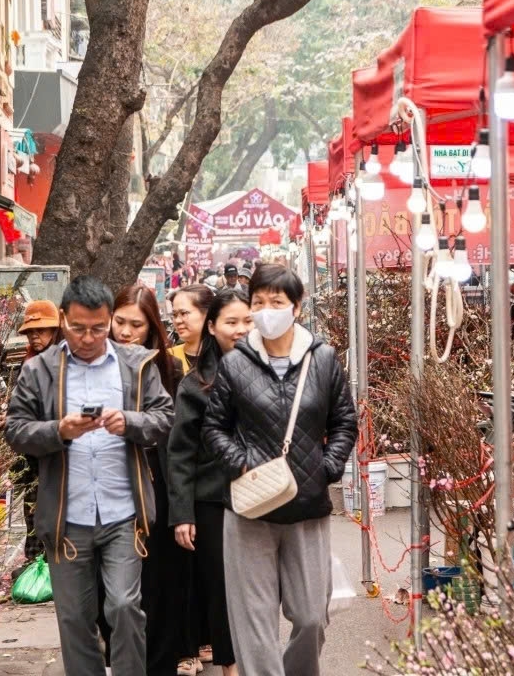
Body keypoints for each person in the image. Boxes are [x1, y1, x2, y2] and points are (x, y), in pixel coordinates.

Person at [5, 276, 173, 676]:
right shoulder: (40, 370)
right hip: (68, 517)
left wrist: (129, 422)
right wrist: (58, 431)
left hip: (123, 513)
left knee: (124, 606)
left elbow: (165, 418)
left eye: (99, 328)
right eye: (78, 327)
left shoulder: (137, 364)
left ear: (110, 320)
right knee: (75, 618)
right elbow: (15, 429)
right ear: (64, 319)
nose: (88, 337)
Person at [203, 265, 357, 676]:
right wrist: (242, 463)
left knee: (310, 616)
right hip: (249, 507)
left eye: (277, 302)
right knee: (254, 624)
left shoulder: (322, 359)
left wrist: (326, 468)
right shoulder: (235, 364)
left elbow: (344, 421)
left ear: (297, 307)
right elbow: (214, 428)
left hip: (306, 506)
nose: (267, 310)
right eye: (259, 302)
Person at [112, 286, 201, 676]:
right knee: (117, 592)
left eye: (137, 325)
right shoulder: (94, 362)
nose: (126, 332)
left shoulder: (169, 368)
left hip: (157, 484)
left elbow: (175, 439)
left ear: (151, 328)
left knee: (160, 582)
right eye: (120, 322)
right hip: (112, 485)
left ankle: (160, 663)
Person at [168, 289, 254, 676]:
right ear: (213, 326)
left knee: (259, 589)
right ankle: (231, 668)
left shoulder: (277, 369)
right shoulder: (196, 383)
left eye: (247, 320)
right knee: (221, 591)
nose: (240, 330)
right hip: (212, 500)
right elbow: (180, 452)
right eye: (231, 322)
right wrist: (182, 513)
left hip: (265, 496)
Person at [14, 301, 62, 565]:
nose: (35, 336)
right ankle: (35, 563)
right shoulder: (27, 361)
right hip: (32, 451)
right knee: (32, 508)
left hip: (58, 450)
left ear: (55, 330)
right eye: (31, 331)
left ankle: (57, 564)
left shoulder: (66, 362)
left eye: (42, 330)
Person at [169, 285, 215, 376]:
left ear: (207, 314)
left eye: (184, 313)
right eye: (174, 315)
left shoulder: (224, 357)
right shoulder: (169, 357)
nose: (177, 320)